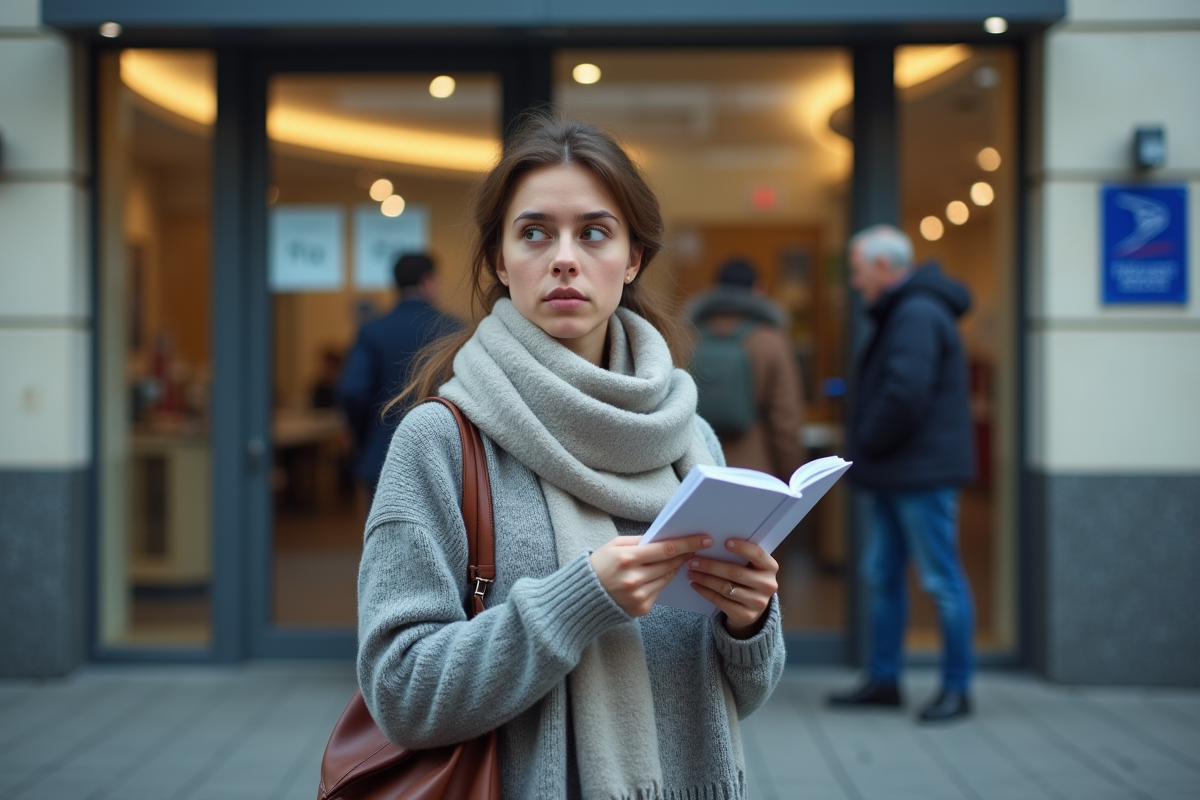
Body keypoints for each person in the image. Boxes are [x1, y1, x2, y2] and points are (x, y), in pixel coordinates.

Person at [356, 116, 786, 799]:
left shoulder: (689, 438)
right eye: (534, 233)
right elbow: (400, 692)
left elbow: (742, 695)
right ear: (500, 260)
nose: (564, 258)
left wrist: (750, 620)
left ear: (633, 258)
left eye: (593, 233)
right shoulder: (439, 441)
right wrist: (579, 601)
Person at [828, 224, 976, 723]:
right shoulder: (907, 311)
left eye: (858, 271)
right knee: (884, 575)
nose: (855, 283)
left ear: (883, 267)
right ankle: (884, 680)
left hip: (921, 473)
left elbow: (904, 394)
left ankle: (956, 688)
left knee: (940, 580)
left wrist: (864, 441)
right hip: (901, 471)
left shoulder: (916, 313)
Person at [337, 253, 461, 498]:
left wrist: (364, 434)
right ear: (428, 281)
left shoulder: (372, 331)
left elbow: (352, 389)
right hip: (443, 457)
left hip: (382, 455)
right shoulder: (454, 329)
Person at [686, 258, 806, 481]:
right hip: (755, 473)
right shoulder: (771, 341)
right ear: (758, 289)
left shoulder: (688, 337)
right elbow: (785, 421)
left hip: (697, 470)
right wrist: (793, 476)